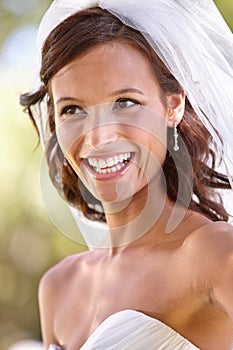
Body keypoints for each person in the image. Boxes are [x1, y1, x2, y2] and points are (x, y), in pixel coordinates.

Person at [20, 0, 233, 349]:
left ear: (172, 105)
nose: (98, 137)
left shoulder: (212, 255)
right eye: (72, 109)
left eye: (125, 102)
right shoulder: (58, 287)